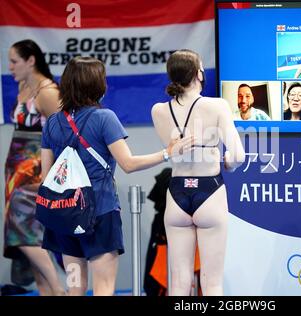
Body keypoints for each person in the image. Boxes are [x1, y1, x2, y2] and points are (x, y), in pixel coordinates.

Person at [40, 56, 193, 296]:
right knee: (104, 288)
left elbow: (45, 176)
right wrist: (168, 153)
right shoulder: (104, 118)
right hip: (99, 214)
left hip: (63, 217)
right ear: (96, 85)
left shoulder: (51, 123)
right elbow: (129, 164)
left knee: (74, 288)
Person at [151, 49, 245, 296]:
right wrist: (227, 162)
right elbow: (238, 156)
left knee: (179, 283)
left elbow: (171, 149)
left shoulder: (158, 111)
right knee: (212, 283)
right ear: (198, 74)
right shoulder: (217, 106)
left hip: (177, 194)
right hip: (209, 192)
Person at [4, 39, 65, 296]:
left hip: (36, 172)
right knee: (33, 234)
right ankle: (47, 292)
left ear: (31, 61)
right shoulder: (22, 86)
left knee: (21, 232)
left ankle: (59, 289)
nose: (9, 67)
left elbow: (65, 135)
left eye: (14, 61)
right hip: (15, 172)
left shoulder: (48, 92)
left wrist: (51, 176)